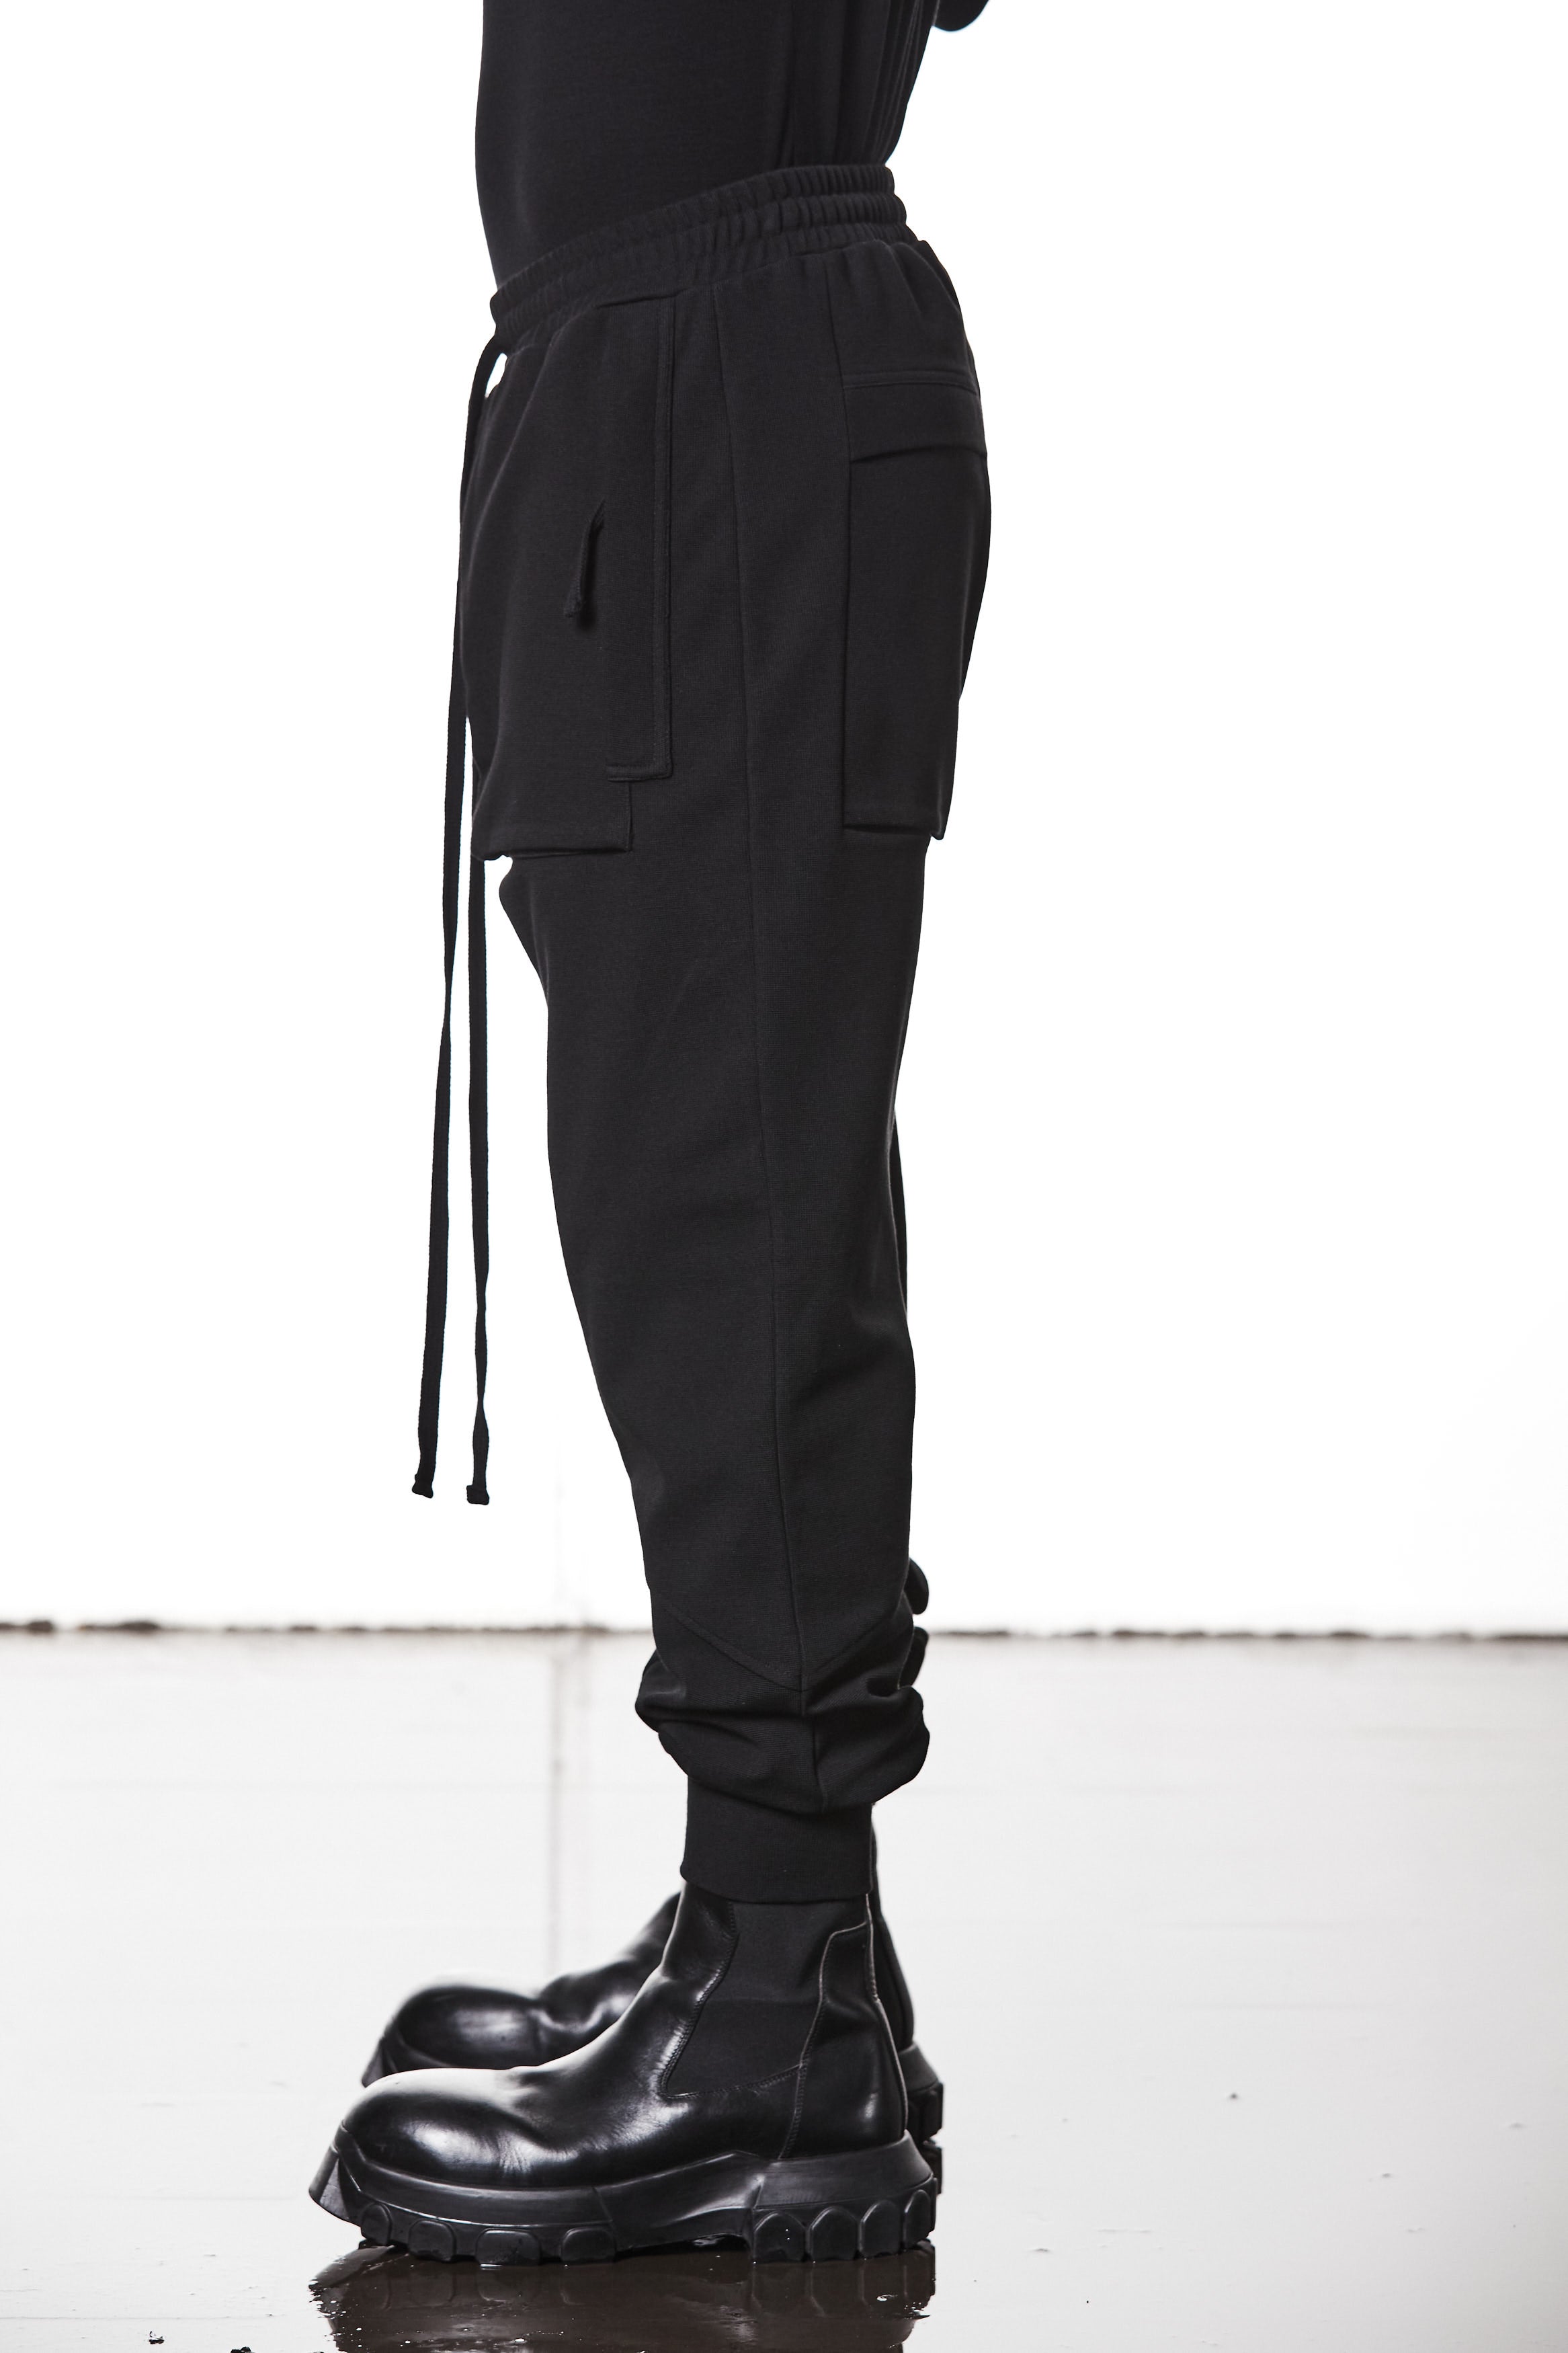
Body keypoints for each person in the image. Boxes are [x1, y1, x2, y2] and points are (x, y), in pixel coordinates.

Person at [311, 0, 992, 2268]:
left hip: (730, 372)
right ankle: (785, 1936)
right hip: (663, 378)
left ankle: (779, 1996)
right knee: (703, 1169)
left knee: (730, 1188)